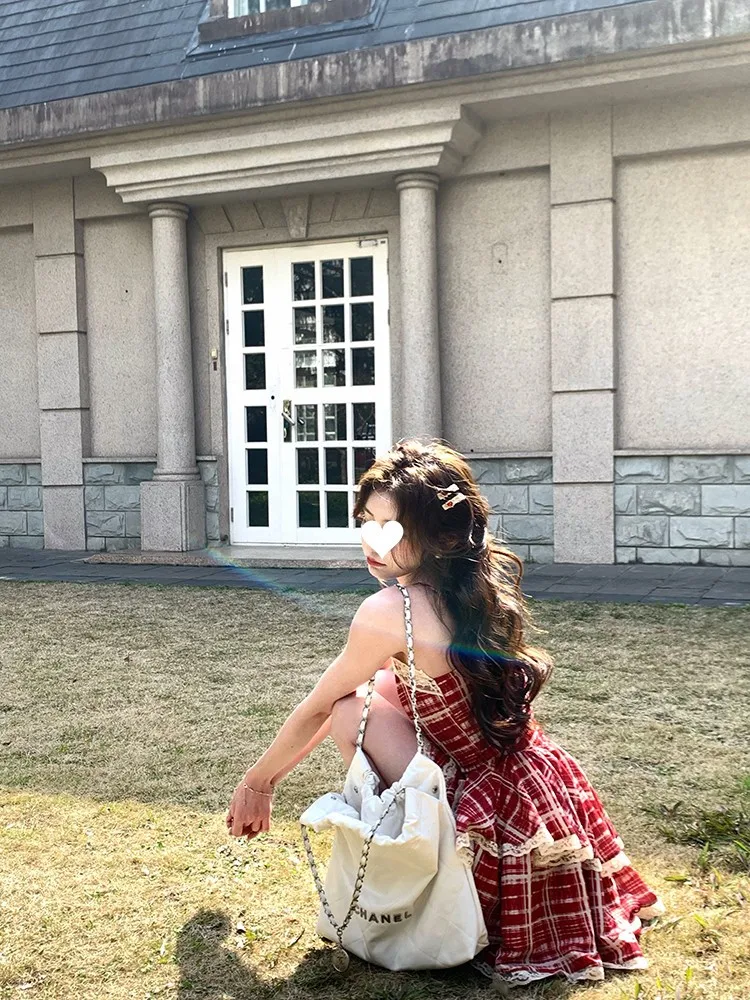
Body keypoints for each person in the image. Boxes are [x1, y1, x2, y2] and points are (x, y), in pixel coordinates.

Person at [226, 438, 665, 987]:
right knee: (380, 685)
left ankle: (403, 850)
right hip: (533, 779)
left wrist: (258, 781)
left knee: (347, 708)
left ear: (442, 536)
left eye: (391, 527)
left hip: (481, 795)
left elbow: (321, 706)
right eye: (366, 522)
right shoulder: (472, 588)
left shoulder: (389, 609)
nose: (373, 541)